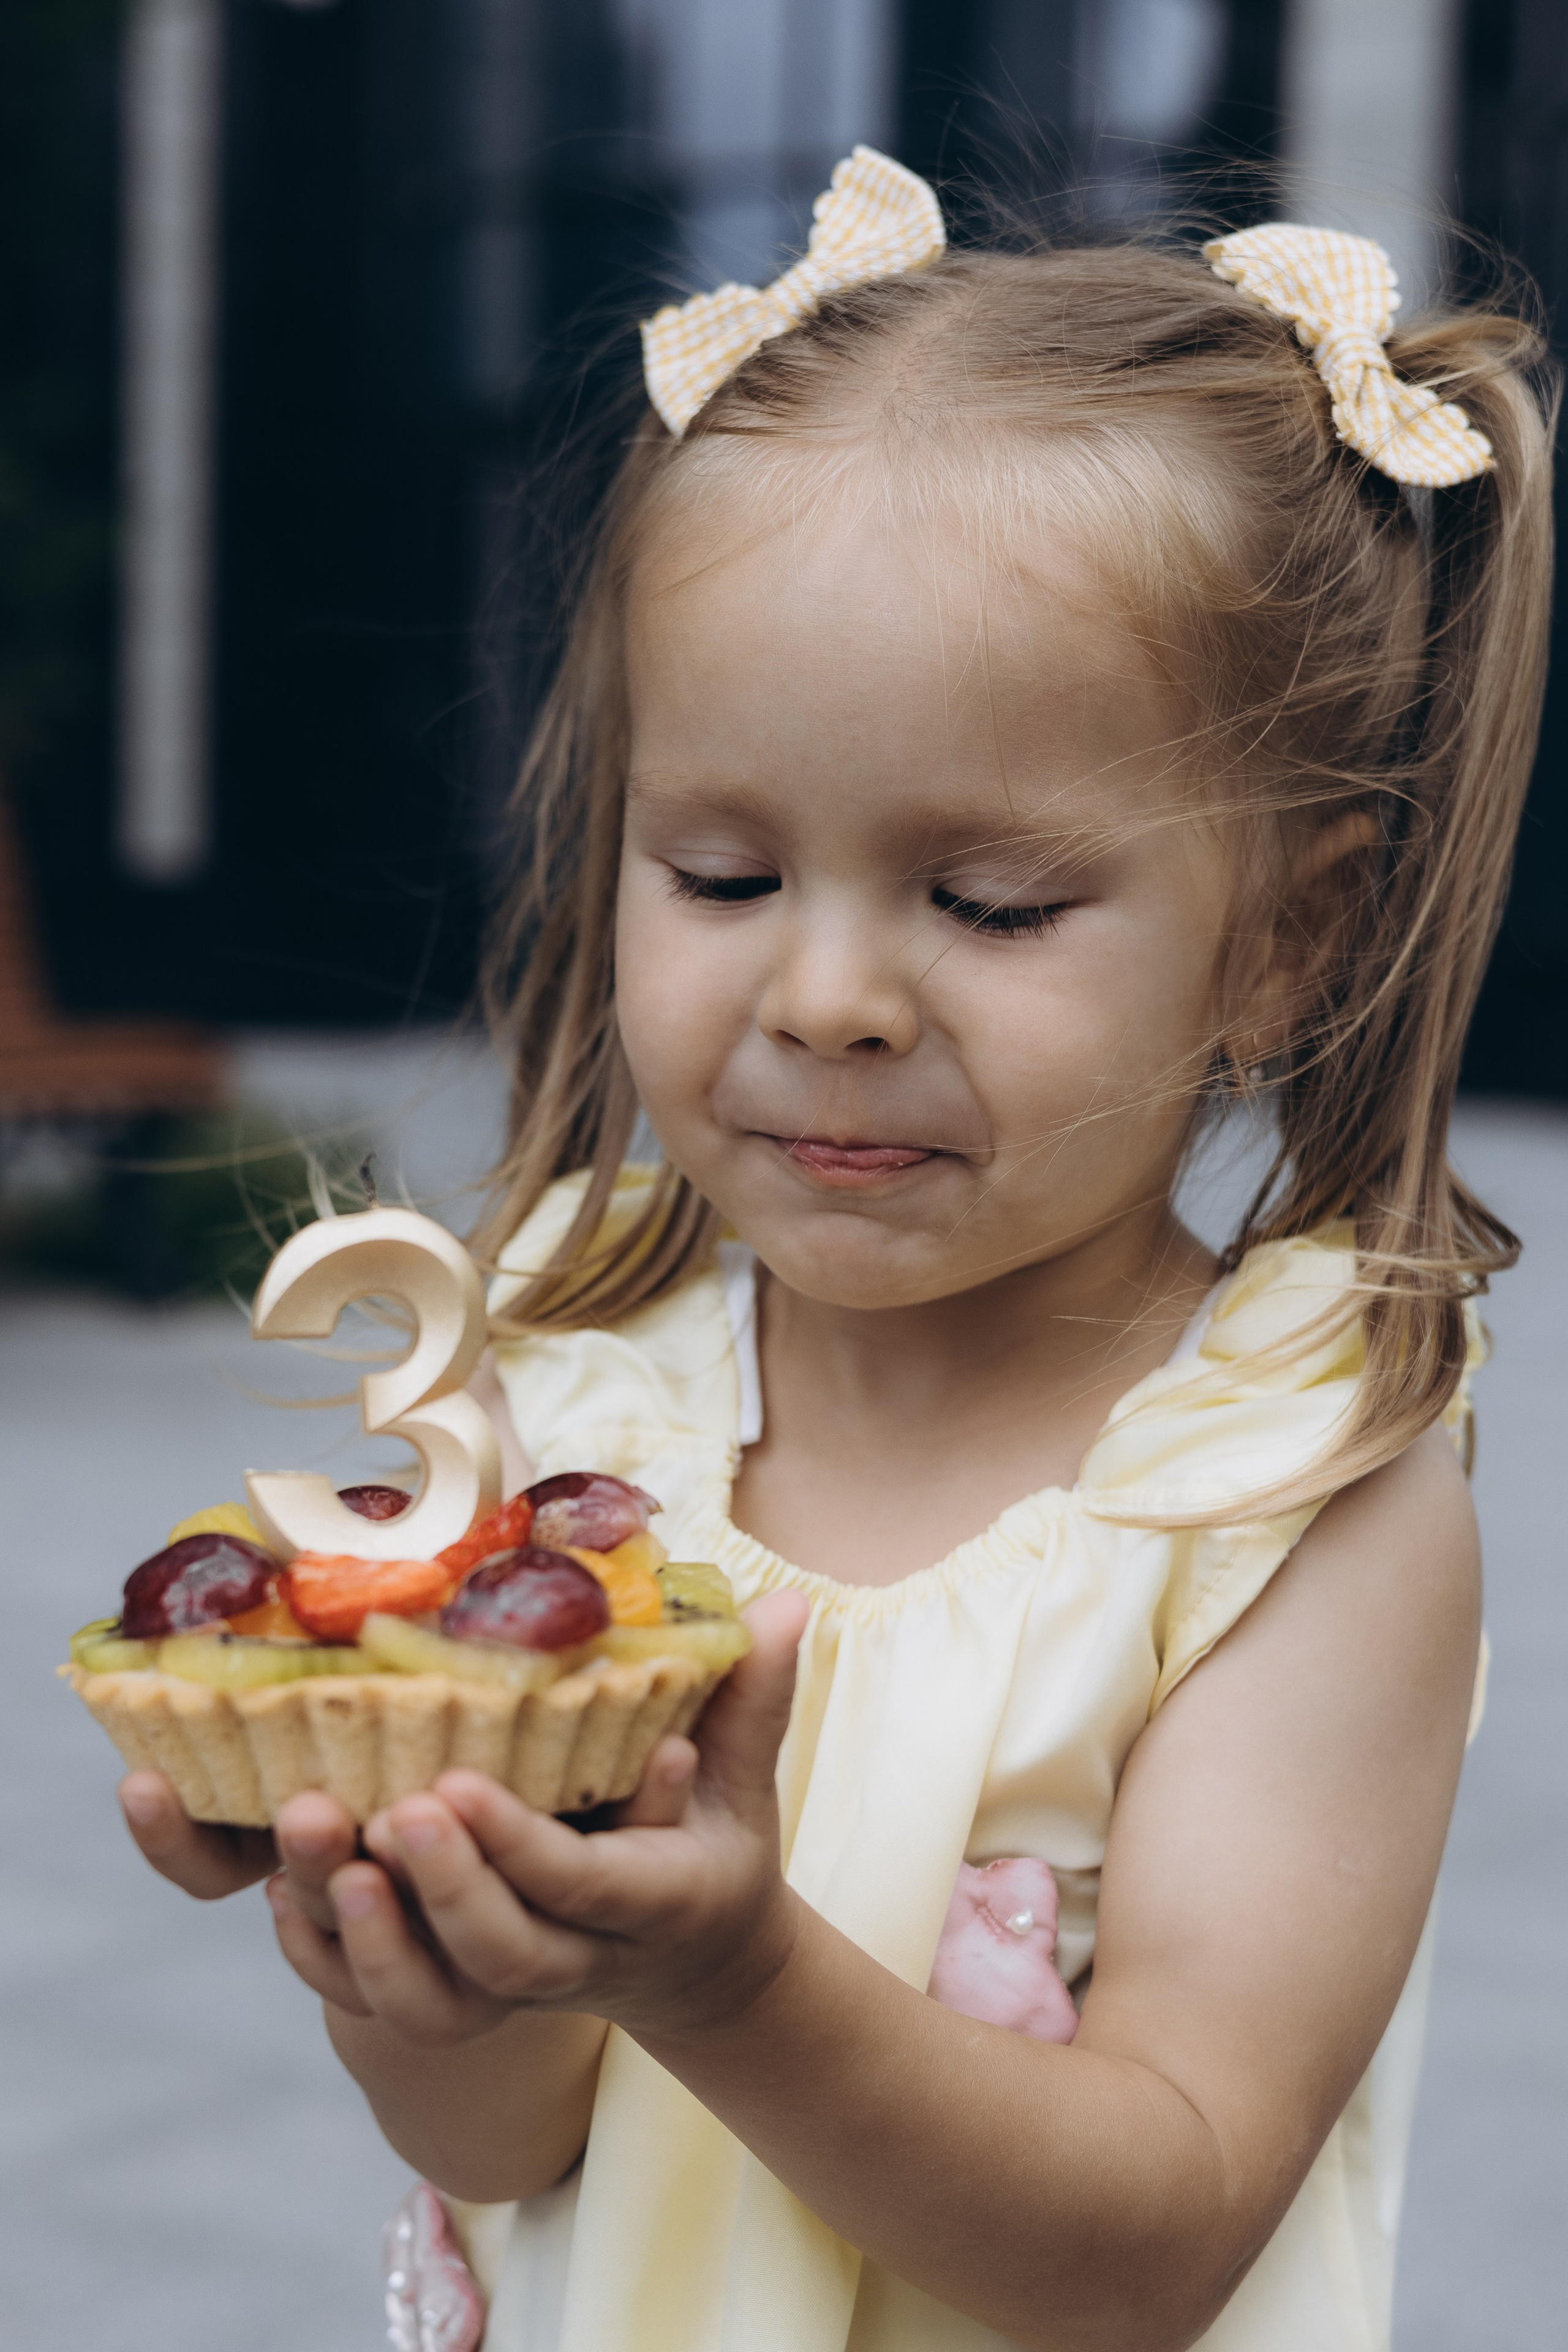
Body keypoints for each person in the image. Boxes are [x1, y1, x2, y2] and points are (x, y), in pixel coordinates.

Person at [118, 152, 1553, 2352]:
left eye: (985, 904)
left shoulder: (1291, 1511)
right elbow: (506, 2143)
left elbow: (1152, 2238)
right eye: (720, 873)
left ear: (1295, 935)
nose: (829, 1001)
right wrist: (418, 1953)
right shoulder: (565, 1409)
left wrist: (732, 1973)